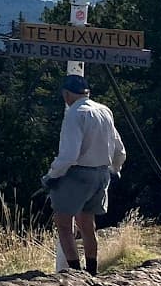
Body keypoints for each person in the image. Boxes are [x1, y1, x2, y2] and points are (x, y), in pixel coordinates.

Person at [42, 73, 127, 275]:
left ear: (66, 94)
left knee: (64, 223)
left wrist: (52, 175)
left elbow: (69, 155)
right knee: (87, 223)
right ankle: (91, 272)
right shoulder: (104, 111)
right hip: (102, 173)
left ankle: (74, 272)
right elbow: (119, 149)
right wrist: (115, 169)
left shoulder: (74, 114)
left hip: (78, 175)